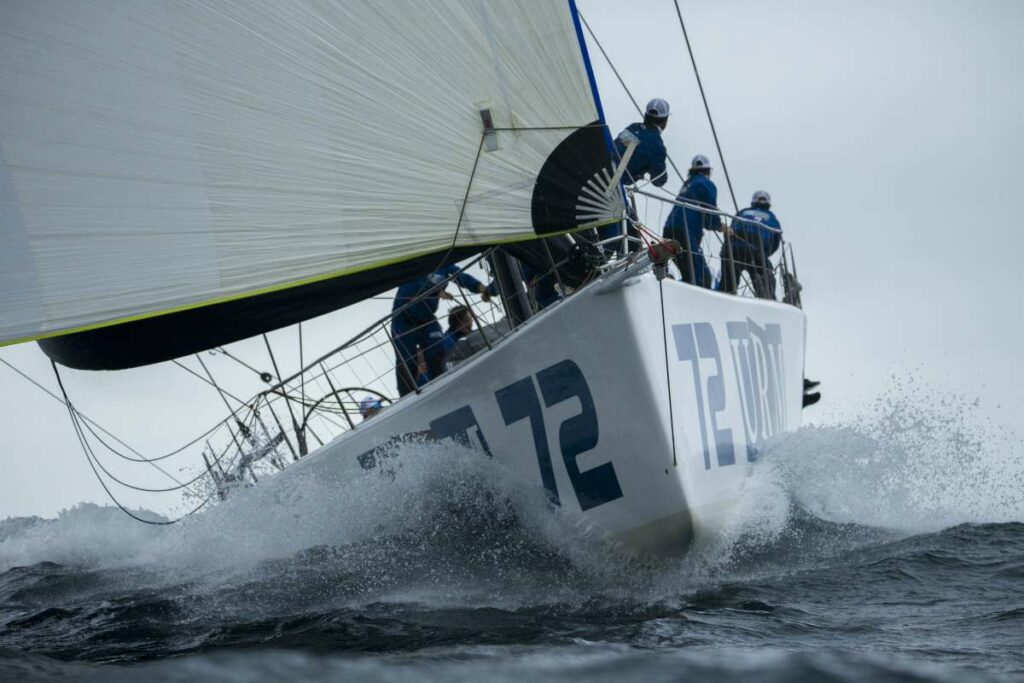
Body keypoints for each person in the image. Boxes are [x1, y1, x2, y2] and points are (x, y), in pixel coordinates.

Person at [391, 265, 489, 396]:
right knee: (407, 361)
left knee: (438, 349)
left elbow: (461, 276)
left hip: (427, 318)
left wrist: (481, 288)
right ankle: (405, 398)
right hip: (404, 319)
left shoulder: (444, 263)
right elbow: (410, 290)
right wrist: (436, 291)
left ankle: (441, 388)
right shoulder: (415, 263)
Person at [663, 154, 729, 287]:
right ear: (708, 171)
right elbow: (710, 212)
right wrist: (720, 226)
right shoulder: (706, 183)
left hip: (669, 229)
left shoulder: (688, 184)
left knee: (688, 273)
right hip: (685, 231)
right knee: (702, 277)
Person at [720, 190, 783, 299]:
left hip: (733, 248)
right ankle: (768, 300)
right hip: (756, 251)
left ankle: (724, 296)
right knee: (766, 282)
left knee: (728, 283)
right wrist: (765, 253)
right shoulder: (771, 217)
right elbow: (776, 240)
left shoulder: (743, 212)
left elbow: (729, 231)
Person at [613, 98, 671, 188]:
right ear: (665, 121)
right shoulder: (657, 146)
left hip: (602, 172)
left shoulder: (633, 128)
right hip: (613, 186)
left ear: (646, 115)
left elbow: (620, 148)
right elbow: (658, 181)